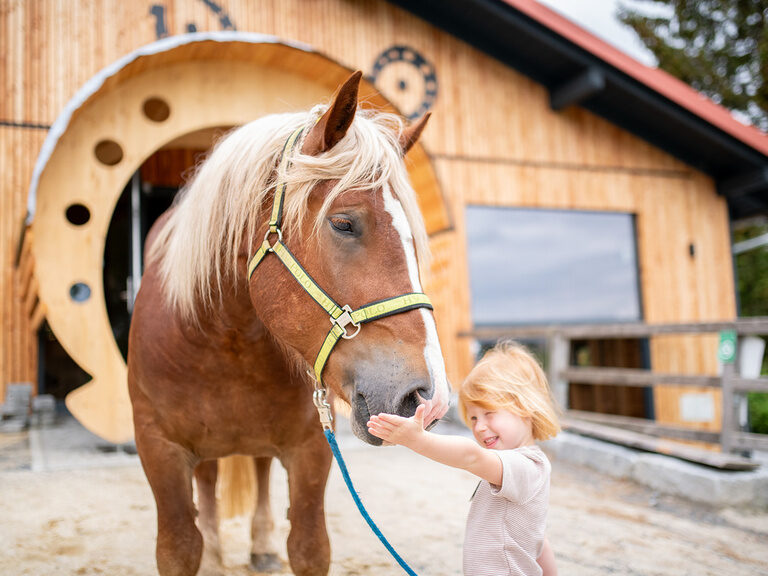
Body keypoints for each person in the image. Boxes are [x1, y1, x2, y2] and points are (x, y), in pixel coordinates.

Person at [367, 340, 561, 576]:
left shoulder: (527, 466)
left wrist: (417, 440)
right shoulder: (523, 468)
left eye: (489, 413)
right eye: (473, 418)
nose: (480, 427)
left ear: (527, 410)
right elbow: (539, 540)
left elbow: (471, 457)